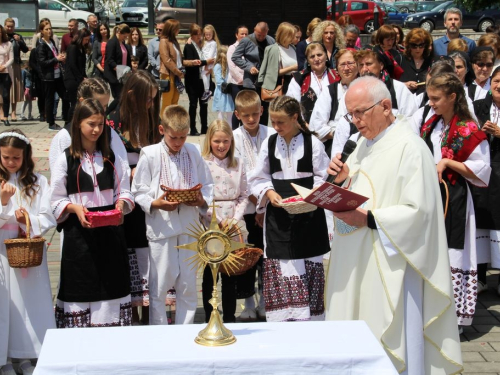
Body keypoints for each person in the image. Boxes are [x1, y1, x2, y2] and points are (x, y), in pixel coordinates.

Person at [325, 76, 463, 374]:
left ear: (386, 106)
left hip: (393, 267)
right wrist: (341, 180)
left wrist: (369, 218)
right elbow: (363, 190)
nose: (355, 120)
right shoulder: (362, 144)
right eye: (350, 114)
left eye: (360, 111)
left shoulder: (410, 148)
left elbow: (420, 213)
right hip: (356, 261)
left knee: (389, 344)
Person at [411, 73, 490, 332]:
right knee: (429, 253)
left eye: (436, 98)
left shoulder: (468, 128)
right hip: (429, 195)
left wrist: (447, 163)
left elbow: (482, 168)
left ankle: (451, 320)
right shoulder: (430, 123)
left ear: (453, 97)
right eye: (429, 98)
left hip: (453, 197)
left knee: (452, 252)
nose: (430, 103)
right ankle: (429, 314)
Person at [51, 99, 134, 328]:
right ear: (78, 123)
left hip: (110, 233)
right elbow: (56, 199)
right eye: (91, 124)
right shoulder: (66, 159)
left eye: (100, 124)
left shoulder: (110, 157)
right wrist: (74, 208)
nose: (96, 130)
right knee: (80, 289)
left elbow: (124, 190)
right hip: (79, 236)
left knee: (112, 287)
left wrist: (121, 204)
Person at [249, 96, 330, 322]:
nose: (276, 127)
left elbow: (324, 177)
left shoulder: (313, 143)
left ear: (295, 118)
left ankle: (311, 328)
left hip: (309, 217)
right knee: (281, 265)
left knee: (309, 266)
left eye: (281, 122)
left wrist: (310, 198)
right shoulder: (269, 143)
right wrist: (269, 192)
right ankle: (283, 325)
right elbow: (257, 176)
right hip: (278, 217)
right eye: (273, 122)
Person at [132, 104, 213, 325]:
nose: (178, 142)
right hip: (162, 228)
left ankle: (185, 330)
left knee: (187, 284)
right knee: (159, 286)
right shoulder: (149, 154)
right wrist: (156, 203)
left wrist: (201, 200)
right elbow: (138, 190)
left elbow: (207, 184)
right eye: (173, 137)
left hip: (189, 227)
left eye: (182, 137)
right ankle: (160, 334)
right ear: (161, 130)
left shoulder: (193, 151)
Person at [0, 129, 57, 375]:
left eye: (16, 158)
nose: (11, 162)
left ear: (26, 156)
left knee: (29, 304)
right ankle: (4, 359)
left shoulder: (37, 182)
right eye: (6, 157)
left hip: (29, 249)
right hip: (2, 249)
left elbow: (48, 217)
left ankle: (26, 354)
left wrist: (27, 220)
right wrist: (3, 203)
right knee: (7, 304)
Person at [106, 71, 159, 323]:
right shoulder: (111, 122)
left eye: (152, 100)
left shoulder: (152, 119)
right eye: (146, 100)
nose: (150, 105)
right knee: (127, 253)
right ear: (130, 95)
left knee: (147, 251)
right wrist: (129, 172)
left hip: (147, 198)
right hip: (123, 197)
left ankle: (150, 313)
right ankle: (131, 316)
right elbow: (106, 162)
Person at [233, 89, 276, 321]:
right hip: (249, 208)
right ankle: (248, 302)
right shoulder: (234, 137)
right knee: (247, 257)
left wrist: (265, 204)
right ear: (237, 114)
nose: (251, 119)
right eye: (246, 115)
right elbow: (242, 177)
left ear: (262, 110)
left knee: (266, 257)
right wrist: (258, 206)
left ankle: (265, 299)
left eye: (255, 114)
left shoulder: (271, 134)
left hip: (270, 204)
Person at [200, 119, 249, 323]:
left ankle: (229, 316)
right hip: (210, 222)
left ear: (232, 142)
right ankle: (209, 316)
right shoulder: (203, 163)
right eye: (217, 141)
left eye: (226, 141)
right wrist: (217, 220)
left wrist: (234, 219)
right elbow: (201, 196)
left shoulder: (238, 163)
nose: (221, 146)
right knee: (209, 274)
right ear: (209, 140)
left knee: (230, 273)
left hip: (232, 222)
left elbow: (245, 194)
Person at [330, 49, 417, 157]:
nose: (365, 69)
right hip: (360, 152)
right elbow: (342, 126)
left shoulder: (398, 89)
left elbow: (411, 121)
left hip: (394, 150)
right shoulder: (351, 93)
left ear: (381, 65)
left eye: (369, 64)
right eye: (361, 65)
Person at [48, 77, 127, 173]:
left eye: (105, 106)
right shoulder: (64, 137)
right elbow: (57, 175)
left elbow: (123, 167)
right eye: (98, 105)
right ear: (82, 101)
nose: (103, 111)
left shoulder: (110, 134)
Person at [472, 66, 500, 297]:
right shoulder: (479, 106)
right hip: (483, 174)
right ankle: (479, 277)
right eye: (496, 80)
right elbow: (468, 132)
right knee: (481, 222)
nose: (499, 85)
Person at [308, 48, 357, 158]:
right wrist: (340, 133)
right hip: (334, 150)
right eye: (342, 64)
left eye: (350, 63)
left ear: (358, 64)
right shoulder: (330, 91)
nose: (346, 68)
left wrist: (332, 125)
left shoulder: (367, 88)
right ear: (337, 69)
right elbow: (316, 126)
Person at [232, 21, 276, 125]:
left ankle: (263, 133)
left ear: (267, 32)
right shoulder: (246, 41)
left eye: (263, 35)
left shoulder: (271, 41)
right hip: (251, 81)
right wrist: (249, 66)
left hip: (265, 81)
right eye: (258, 35)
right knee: (249, 107)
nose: (261, 37)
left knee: (264, 110)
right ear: (254, 30)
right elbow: (235, 57)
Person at [286, 42, 340, 125]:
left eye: (319, 55)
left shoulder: (337, 76)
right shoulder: (299, 78)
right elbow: (292, 106)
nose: (316, 59)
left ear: (326, 56)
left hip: (334, 128)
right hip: (306, 128)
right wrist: (305, 127)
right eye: (312, 56)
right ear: (307, 60)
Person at [183, 23, 215, 135]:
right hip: (192, 80)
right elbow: (191, 62)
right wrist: (206, 62)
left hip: (203, 79)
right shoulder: (189, 46)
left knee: (204, 104)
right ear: (191, 35)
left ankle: (204, 127)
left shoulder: (202, 44)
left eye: (200, 34)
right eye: (196, 35)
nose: (199, 37)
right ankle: (192, 127)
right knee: (193, 104)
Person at [36, 20, 67, 131]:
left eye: (50, 29)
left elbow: (55, 56)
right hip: (48, 77)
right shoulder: (41, 45)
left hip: (57, 74)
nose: (49, 31)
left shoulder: (52, 42)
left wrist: (60, 58)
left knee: (65, 96)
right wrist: (56, 59)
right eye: (46, 29)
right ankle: (51, 123)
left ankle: (67, 119)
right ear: (41, 31)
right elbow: (42, 62)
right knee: (49, 99)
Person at [258, 22, 298, 96]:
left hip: (293, 83)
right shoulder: (273, 49)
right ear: (284, 35)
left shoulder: (293, 48)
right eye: (291, 35)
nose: (293, 38)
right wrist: (292, 68)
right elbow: (272, 72)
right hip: (279, 85)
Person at [4, 18, 29, 123]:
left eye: (11, 26)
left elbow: (25, 50)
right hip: (3, 65)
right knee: (4, 90)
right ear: (4, 26)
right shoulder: (2, 36)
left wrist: (19, 41)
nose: (9, 28)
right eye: (8, 26)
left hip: (15, 65)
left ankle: (13, 112)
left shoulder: (17, 37)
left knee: (14, 89)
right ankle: (2, 112)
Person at [64, 28, 91, 120]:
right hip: (72, 79)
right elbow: (72, 64)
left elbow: (82, 65)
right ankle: (68, 121)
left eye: (88, 40)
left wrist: (84, 76)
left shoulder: (82, 49)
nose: (87, 42)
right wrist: (80, 77)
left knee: (79, 102)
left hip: (79, 78)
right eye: (86, 39)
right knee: (74, 103)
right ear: (80, 38)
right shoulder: (73, 47)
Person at [159, 19, 185, 113]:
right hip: (168, 75)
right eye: (177, 28)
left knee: (175, 101)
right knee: (167, 103)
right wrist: (178, 72)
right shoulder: (163, 41)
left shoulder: (174, 41)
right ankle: (162, 124)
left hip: (176, 75)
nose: (178, 30)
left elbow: (179, 59)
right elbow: (167, 60)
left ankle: (172, 123)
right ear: (171, 29)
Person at [400, 28, 433, 95]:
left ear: (425, 46)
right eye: (414, 46)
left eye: (421, 45)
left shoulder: (432, 61)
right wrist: (404, 85)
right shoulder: (400, 59)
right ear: (409, 45)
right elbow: (391, 82)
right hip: (405, 99)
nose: (418, 49)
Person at [227, 25, 249, 129]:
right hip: (236, 83)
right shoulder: (232, 48)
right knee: (238, 108)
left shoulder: (249, 47)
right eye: (242, 34)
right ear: (237, 35)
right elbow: (232, 67)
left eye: (246, 34)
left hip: (248, 82)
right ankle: (235, 131)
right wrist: (241, 79)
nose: (244, 36)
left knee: (247, 108)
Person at [103, 24, 131, 104]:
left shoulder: (122, 43)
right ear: (119, 32)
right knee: (118, 98)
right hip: (115, 75)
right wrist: (120, 70)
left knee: (122, 97)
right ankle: (108, 112)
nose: (125, 38)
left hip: (123, 76)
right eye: (124, 36)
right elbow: (110, 60)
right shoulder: (112, 42)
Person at [212, 46, 234, 124]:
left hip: (226, 92)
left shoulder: (228, 65)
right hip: (221, 92)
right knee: (221, 112)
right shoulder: (218, 66)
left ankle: (229, 130)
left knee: (229, 112)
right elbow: (218, 81)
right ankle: (221, 129)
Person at [200, 24, 220, 101]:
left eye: (210, 34)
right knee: (206, 76)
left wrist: (206, 64)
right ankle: (207, 92)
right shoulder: (204, 41)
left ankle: (207, 91)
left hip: (209, 62)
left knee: (203, 74)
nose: (208, 36)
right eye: (206, 34)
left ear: (213, 34)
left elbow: (211, 54)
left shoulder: (213, 43)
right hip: (205, 62)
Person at [0, 25, 13, 127]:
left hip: (5, 73)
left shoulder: (8, 44)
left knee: (5, 96)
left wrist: (4, 66)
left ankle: (5, 117)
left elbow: (11, 58)